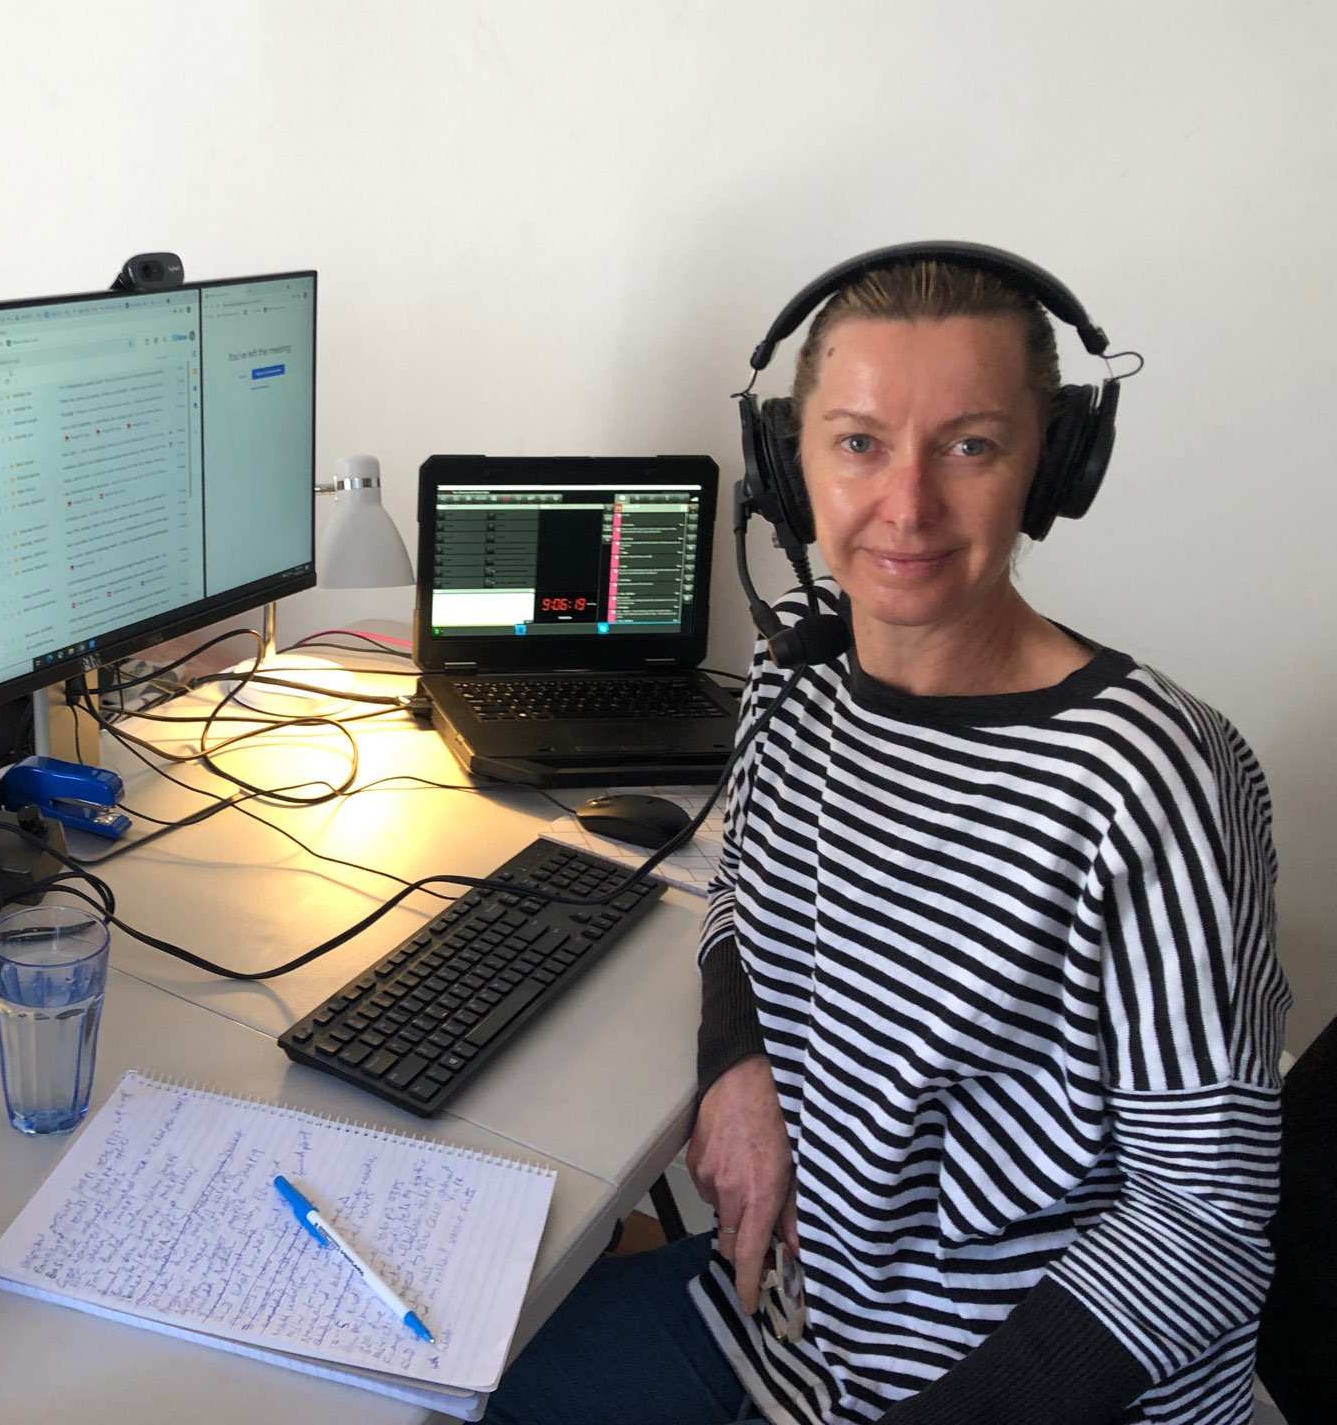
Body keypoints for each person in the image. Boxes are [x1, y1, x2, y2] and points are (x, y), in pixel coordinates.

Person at [486, 250, 1286, 1424]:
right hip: (797, 1325)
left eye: (969, 446)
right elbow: (737, 894)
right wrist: (736, 1066)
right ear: (787, 466)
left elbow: (1200, 1222)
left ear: (1050, 466)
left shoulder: (1148, 775)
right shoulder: (796, 677)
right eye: (858, 442)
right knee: (446, 1382)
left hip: (1020, 1392)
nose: (906, 506)